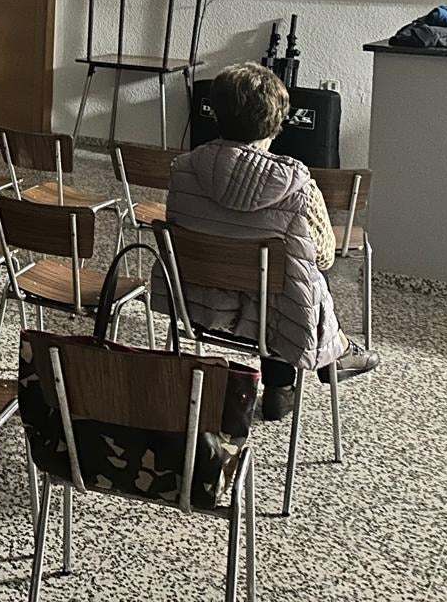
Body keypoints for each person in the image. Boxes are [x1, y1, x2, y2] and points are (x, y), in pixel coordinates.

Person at [159, 62, 379, 420]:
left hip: (199, 305)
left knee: (267, 272)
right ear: (277, 122)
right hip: (277, 320)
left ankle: (309, 366)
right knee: (291, 277)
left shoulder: (183, 169)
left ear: (216, 113)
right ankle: (301, 371)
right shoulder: (297, 182)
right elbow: (322, 256)